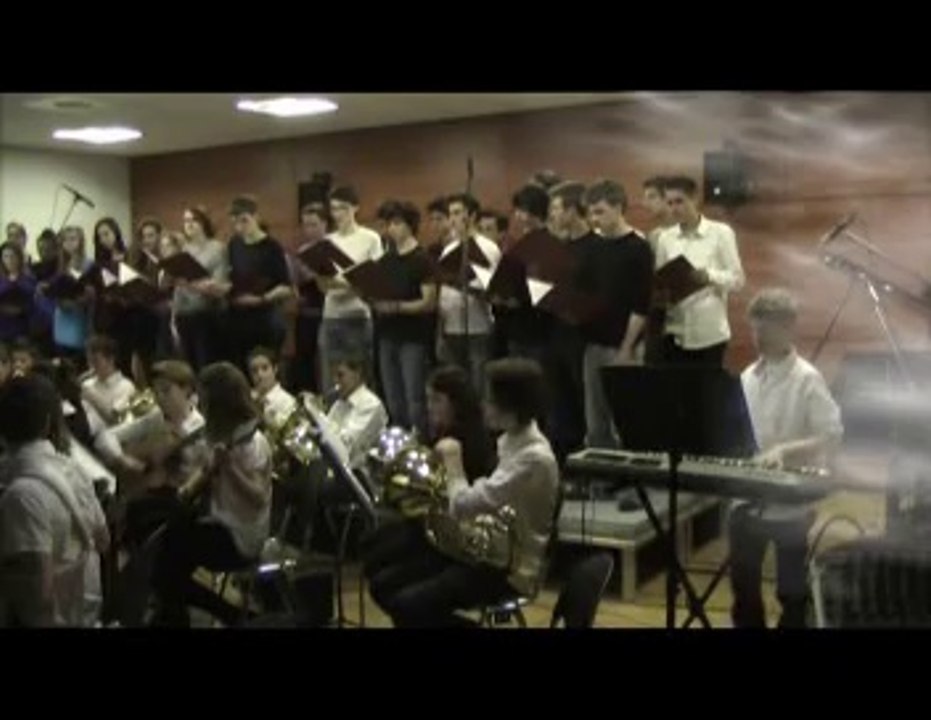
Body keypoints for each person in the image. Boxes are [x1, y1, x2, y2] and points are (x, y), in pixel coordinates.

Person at [370, 358, 558, 627]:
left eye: (491, 400)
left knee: (408, 605)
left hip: (509, 572)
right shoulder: (512, 440)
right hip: (487, 554)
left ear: (512, 405)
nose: (485, 405)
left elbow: (465, 504)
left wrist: (452, 459)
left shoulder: (534, 458)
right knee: (384, 584)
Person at [729, 288, 843, 629]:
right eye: (755, 328)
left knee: (791, 591)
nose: (759, 336)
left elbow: (831, 433)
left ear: (788, 329)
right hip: (748, 499)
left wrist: (785, 451)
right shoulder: (748, 376)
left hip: (790, 502)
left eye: (767, 328)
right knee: (743, 588)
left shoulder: (807, 378)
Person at [149, 362, 273, 627]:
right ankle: (200, 615)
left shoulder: (252, 442)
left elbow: (258, 496)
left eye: (204, 399)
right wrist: (192, 485)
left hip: (241, 536)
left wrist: (229, 467)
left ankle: (224, 615)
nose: (199, 404)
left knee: (169, 561)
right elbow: (208, 473)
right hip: (220, 522)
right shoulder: (225, 436)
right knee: (167, 546)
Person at [0, 374, 110, 627]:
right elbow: (103, 540)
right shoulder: (73, 470)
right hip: (87, 610)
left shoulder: (21, 495)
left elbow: (38, 600)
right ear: (49, 423)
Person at [579, 179, 653, 449]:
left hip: (625, 345)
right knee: (595, 421)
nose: (594, 219)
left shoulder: (638, 247)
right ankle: (602, 479)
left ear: (619, 207)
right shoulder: (593, 246)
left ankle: (629, 483)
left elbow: (640, 304)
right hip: (594, 343)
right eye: (591, 212)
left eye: (600, 212)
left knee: (625, 418)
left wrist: (626, 348)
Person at [654, 175, 745, 367]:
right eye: (669, 203)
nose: (673, 208)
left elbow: (738, 280)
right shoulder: (665, 238)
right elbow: (660, 282)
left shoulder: (721, 233)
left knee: (706, 395)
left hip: (709, 333)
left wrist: (710, 275)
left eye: (679, 201)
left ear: (694, 199)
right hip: (675, 331)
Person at [373, 200, 436, 437]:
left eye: (397, 223)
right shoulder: (385, 260)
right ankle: (399, 443)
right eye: (389, 224)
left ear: (410, 225)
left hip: (413, 336)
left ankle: (420, 442)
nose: (391, 229)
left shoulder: (422, 259)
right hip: (387, 333)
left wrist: (397, 307)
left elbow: (429, 301)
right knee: (393, 398)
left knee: (414, 398)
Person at [316, 186, 383, 391]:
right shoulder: (328, 241)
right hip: (331, 315)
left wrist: (344, 283)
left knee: (360, 377)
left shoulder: (370, 238)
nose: (338, 214)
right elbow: (323, 285)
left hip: (357, 316)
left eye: (343, 208)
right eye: (334, 209)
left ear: (355, 208)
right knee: (331, 380)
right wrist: (340, 282)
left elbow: (374, 281)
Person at [436, 193, 501, 392]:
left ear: (472, 216)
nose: (452, 219)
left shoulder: (487, 248)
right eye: (450, 214)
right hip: (451, 327)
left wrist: (464, 284)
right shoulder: (449, 249)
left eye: (457, 213)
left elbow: (493, 290)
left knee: (478, 388)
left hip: (477, 328)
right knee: (455, 390)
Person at [224, 196, 294, 370]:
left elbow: (286, 287)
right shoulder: (234, 244)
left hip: (265, 318)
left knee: (265, 368)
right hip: (239, 318)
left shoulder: (272, 247)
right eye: (235, 223)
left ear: (256, 217)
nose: (240, 227)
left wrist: (262, 298)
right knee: (242, 370)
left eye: (244, 221)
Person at [172, 207, 228, 371]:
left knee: (205, 366)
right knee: (186, 366)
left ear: (203, 222)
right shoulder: (184, 250)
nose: (188, 224)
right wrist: (173, 318)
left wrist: (191, 283)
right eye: (185, 221)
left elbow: (219, 284)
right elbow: (177, 287)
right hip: (183, 314)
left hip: (206, 315)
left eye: (193, 220)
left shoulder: (217, 248)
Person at [248, 346, 297, 430]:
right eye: (254, 370)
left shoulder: (287, 401)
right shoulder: (248, 401)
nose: (260, 375)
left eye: (265, 368)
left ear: (275, 369)